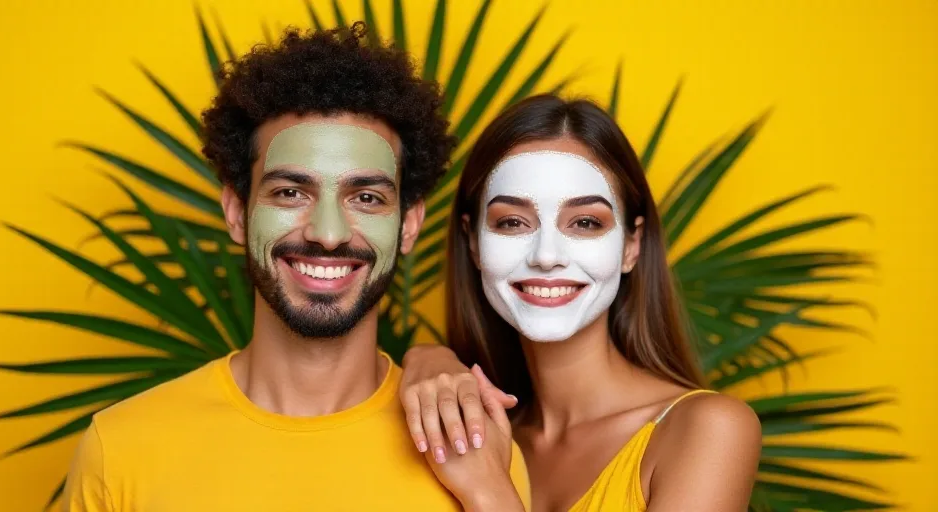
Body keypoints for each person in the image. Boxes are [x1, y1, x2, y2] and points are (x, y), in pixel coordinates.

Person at [62, 24, 530, 511]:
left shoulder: (474, 451)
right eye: (290, 193)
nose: (327, 234)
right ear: (237, 212)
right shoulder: (120, 450)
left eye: (366, 197)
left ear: (409, 225)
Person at [399, 94, 762, 511]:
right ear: (473, 243)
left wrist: (486, 490)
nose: (546, 256)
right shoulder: (468, 431)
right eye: (512, 222)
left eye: (585, 223)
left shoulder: (706, 428)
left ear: (631, 245)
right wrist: (429, 358)